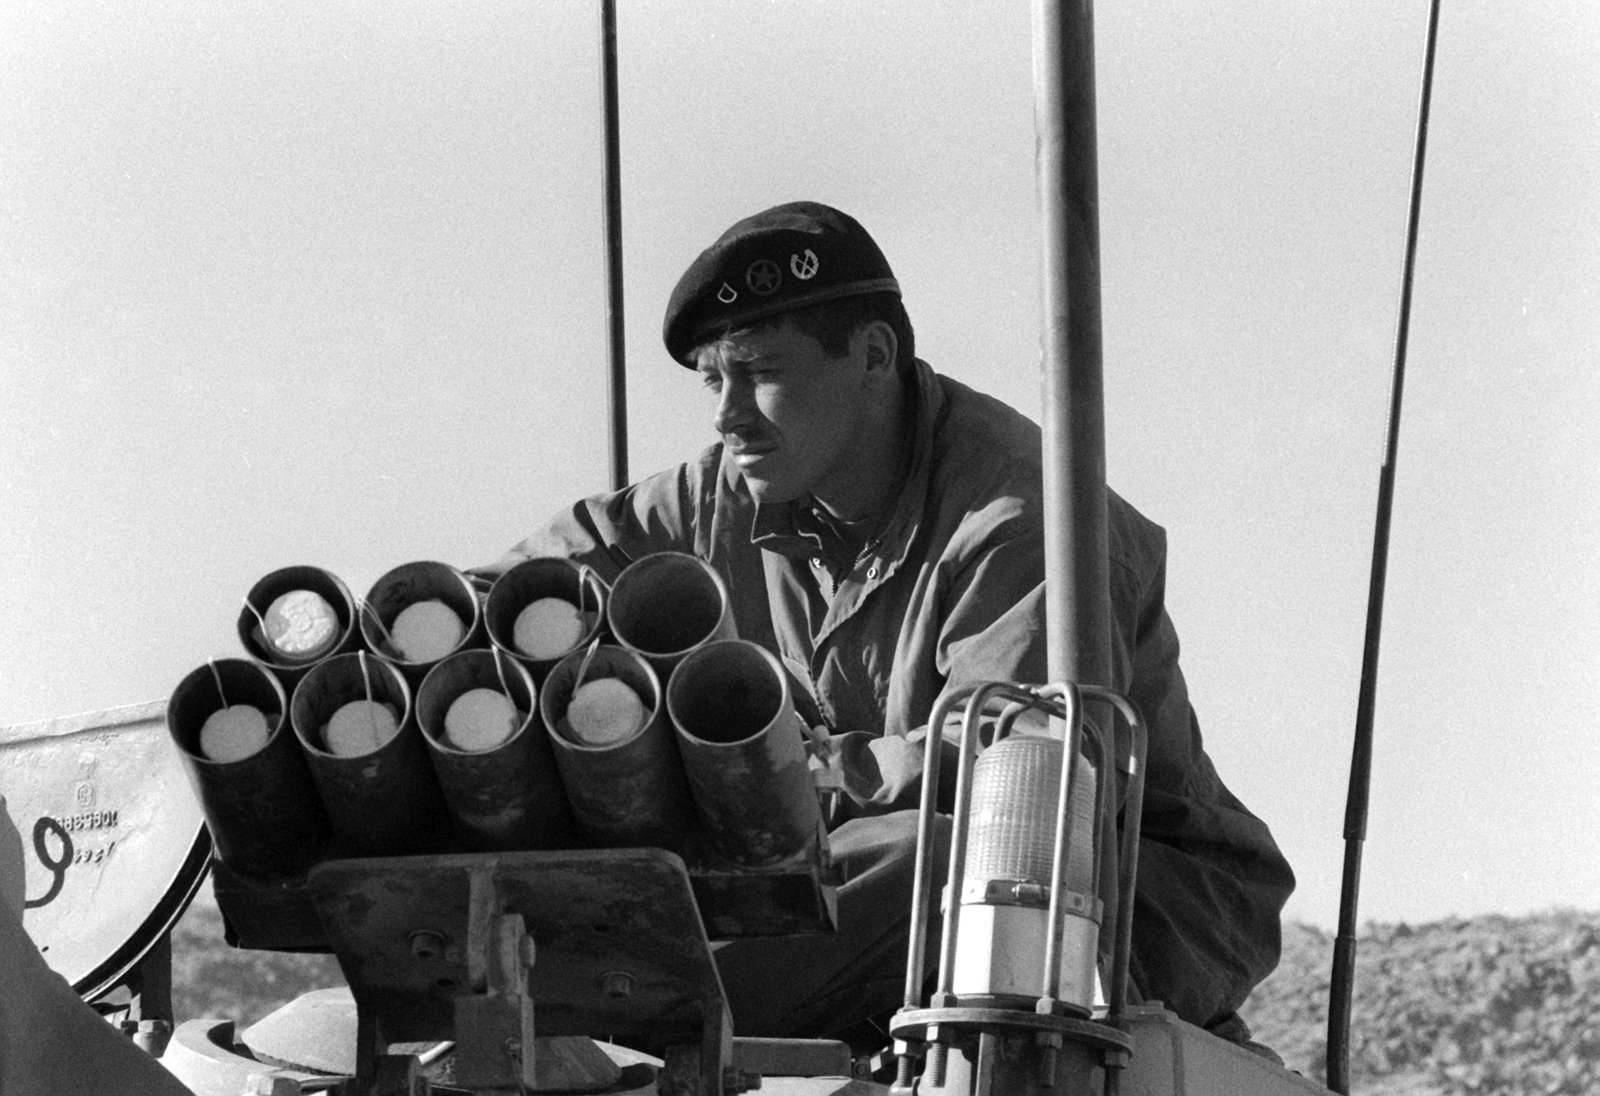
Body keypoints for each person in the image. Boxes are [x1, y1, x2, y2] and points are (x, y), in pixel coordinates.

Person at [480, 201, 1294, 1048]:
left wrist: (799, 769)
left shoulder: (1020, 518)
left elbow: (1011, 772)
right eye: (711, 381)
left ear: (873, 356)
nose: (727, 415)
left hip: (1123, 894)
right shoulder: (721, 492)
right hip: (865, 897)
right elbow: (511, 597)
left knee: (935, 864)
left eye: (760, 372)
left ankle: (598, 1023)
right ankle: (546, 1003)